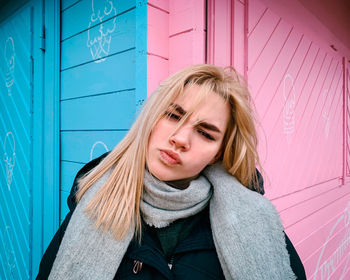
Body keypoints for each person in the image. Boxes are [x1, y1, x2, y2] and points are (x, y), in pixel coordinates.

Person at [37, 64, 306, 279]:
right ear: (152, 118)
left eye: (204, 133)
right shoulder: (96, 198)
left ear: (219, 153)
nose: (180, 138)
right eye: (174, 116)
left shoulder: (253, 218)